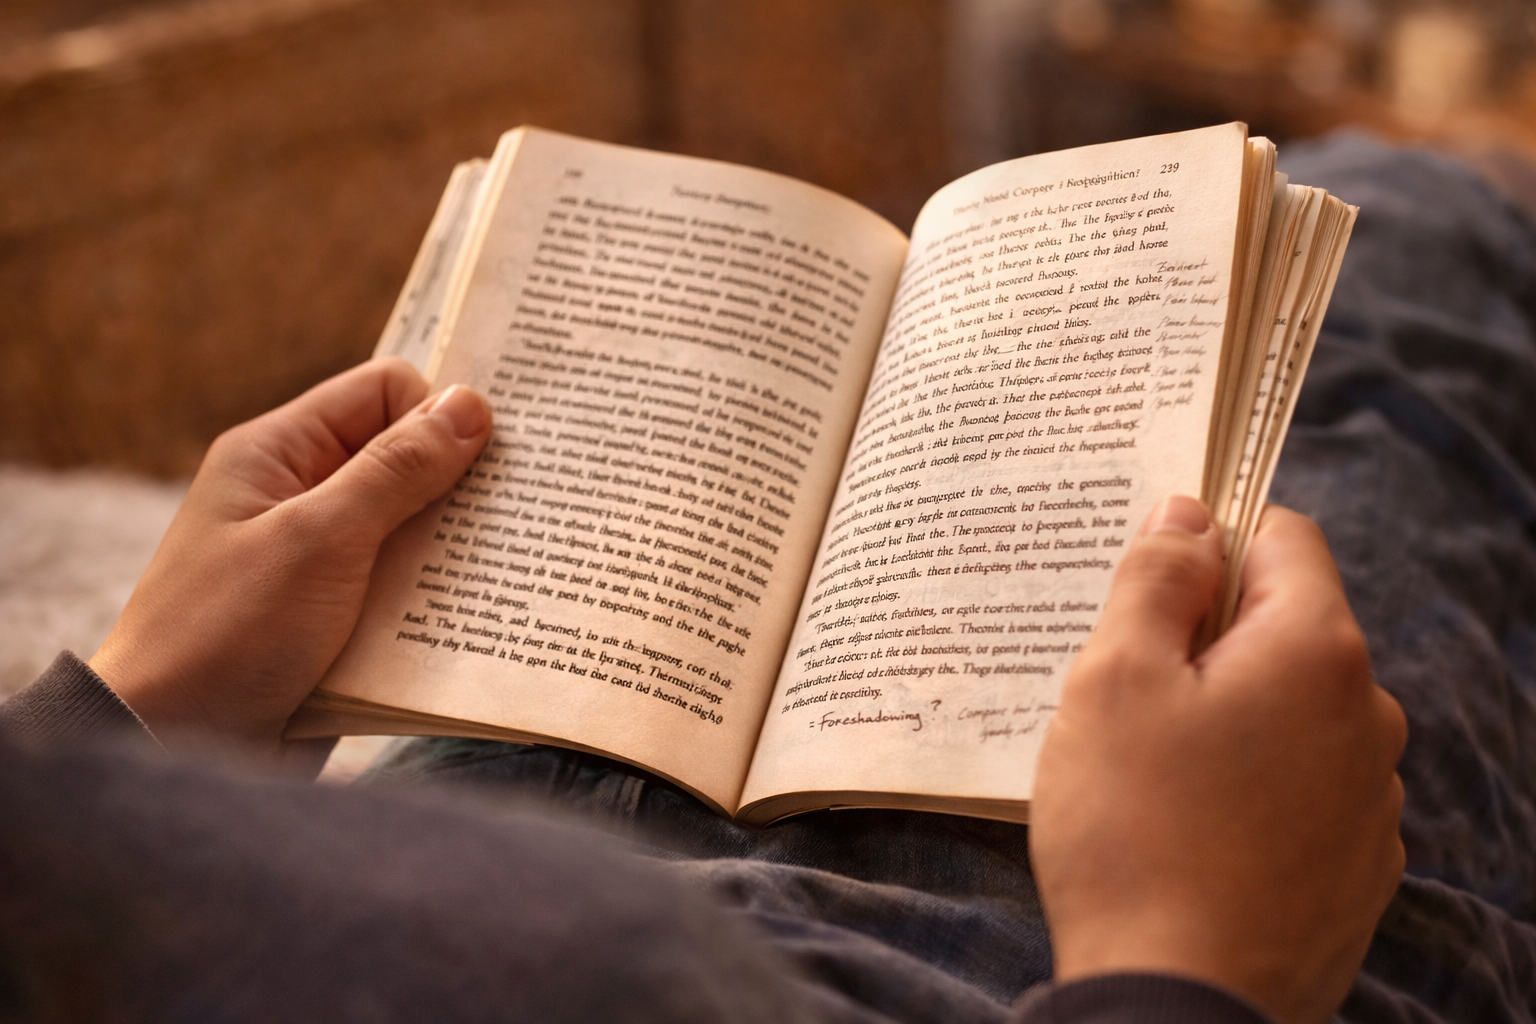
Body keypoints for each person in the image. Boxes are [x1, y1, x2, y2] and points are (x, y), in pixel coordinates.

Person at [2, 133, 1534, 1023]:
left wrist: (125, 715)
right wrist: (1199, 970)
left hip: (467, 809)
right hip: (1034, 965)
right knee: (1402, 250)